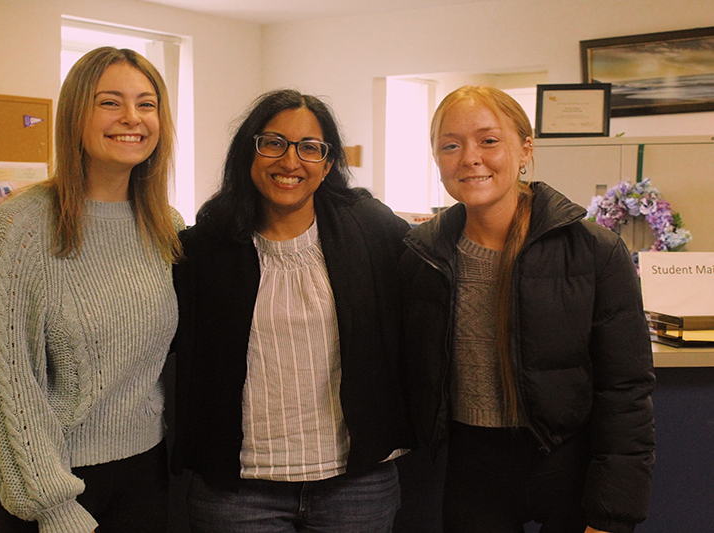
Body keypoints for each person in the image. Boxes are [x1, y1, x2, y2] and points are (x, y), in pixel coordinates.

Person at [400, 85, 655, 533]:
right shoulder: (424, 254)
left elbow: (625, 391)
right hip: (471, 471)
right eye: (450, 145)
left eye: (489, 140)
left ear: (525, 148)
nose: (470, 157)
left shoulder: (593, 250)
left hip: (568, 467)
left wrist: (611, 515)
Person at [171, 89, 415, 532]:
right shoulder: (206, 247)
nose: (290, 161)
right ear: (250, 150)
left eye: (309, 148)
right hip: (241, 490)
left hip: (356, 484)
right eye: (273, 143)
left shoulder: (372, 229)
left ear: (327, 162)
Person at [0, 47, 184, 533]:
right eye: (110, 103)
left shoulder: (164, 226)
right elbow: (1, 385)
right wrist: (54, 506)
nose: (132, 118)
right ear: (75, 114)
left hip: (145, 473)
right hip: (53, 483)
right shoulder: (19, 227)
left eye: (147, 104)